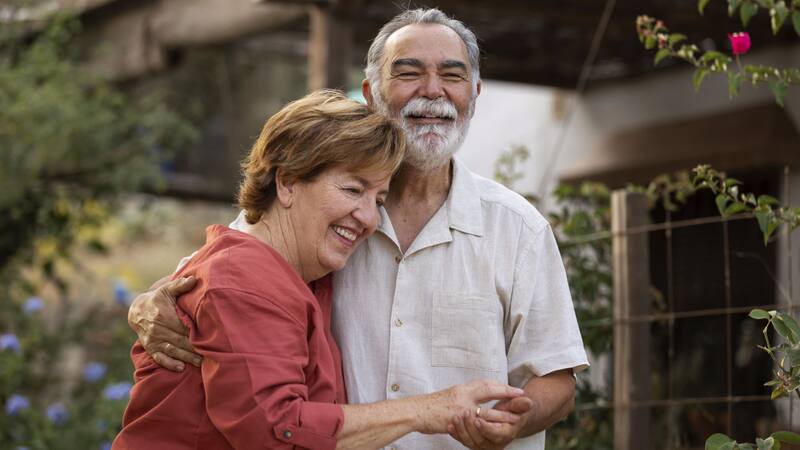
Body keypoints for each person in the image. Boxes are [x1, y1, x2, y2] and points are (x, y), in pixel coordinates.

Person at [128, 8, 589, 450]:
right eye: (408, 73)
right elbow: (225, 272)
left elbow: (557, 376)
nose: (433, 91)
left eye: (452, 75)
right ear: (370, 94)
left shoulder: (518, 229)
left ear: (474, 93)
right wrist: (149, 302)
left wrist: (515, 422)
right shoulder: (315, 220)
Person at [114, 90, 527, 450]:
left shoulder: (306, 271)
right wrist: (428, 410)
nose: (369, 217)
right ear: (288, 182)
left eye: (379, 200)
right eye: (352, 189)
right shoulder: (245, 278)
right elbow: (278, 433)